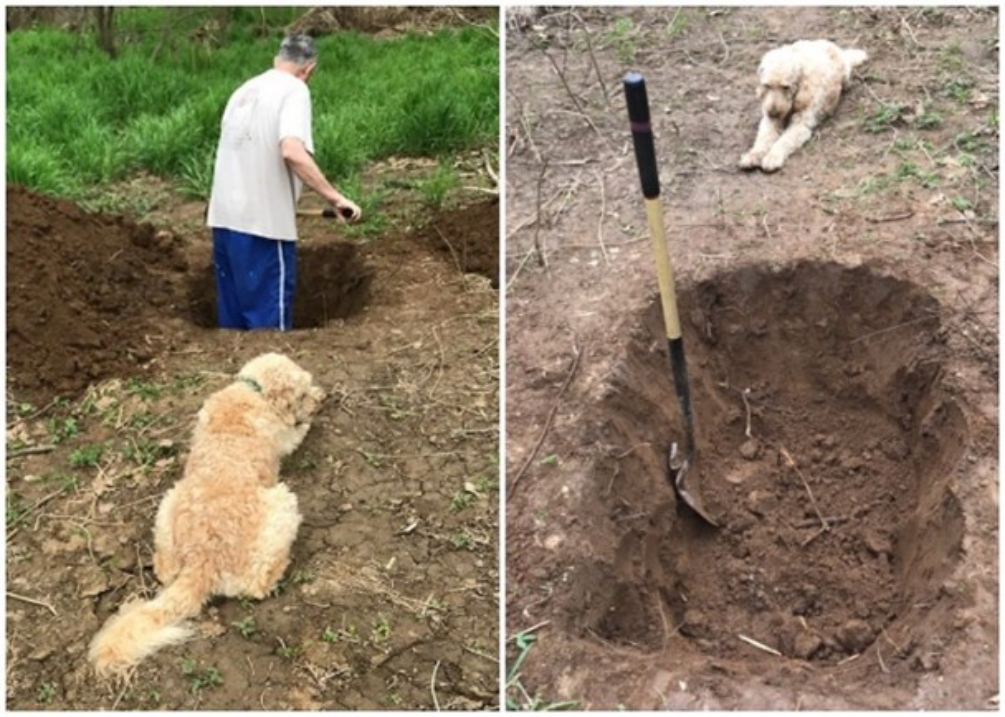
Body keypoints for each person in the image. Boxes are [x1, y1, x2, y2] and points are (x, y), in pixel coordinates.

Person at [207, 32, 361, 331]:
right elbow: (291, 150)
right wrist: (335, 198)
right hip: (262, 228)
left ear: (277, 59)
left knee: (233, 331)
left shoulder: (244, 90)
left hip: (224, 222)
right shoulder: (294, 90)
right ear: (309, 69)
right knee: (268, 335)